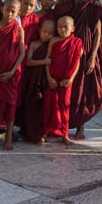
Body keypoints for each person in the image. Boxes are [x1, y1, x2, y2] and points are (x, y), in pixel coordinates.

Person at [53, 0, 102, 139]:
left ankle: (80, 127)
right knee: (66, 90)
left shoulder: (93, 7)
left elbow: (98, 33)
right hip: (67, 54)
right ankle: (61, 125)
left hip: (86, 52)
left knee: (82, 91)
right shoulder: (63, 7)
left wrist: (93, 56)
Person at [0, 0, 25, 150]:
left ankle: (8, 137)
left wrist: (12, 71)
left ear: (18, 13)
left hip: (11, 74)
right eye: (8, 10)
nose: (9, 14)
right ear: (2, 9)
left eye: (13, 12)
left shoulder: (19, 29)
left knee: (11, 105)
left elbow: (22, 53)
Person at [43, 16, 83, 145]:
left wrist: (70, 79)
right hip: (52, 79)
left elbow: (77, 63)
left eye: (66, 27)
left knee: (64, 106)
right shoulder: (53, 41)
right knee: (49, 105)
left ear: (73, 29)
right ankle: (45, 132)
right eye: (60, 27)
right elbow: (48, 60)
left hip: (67, 81)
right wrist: (49, 78)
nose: (63, 29)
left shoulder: (76, 43)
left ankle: (64, 133)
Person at [18, 19, 55, 144]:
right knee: (31, 106)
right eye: (44, 31)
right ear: (39, 30)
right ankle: (29, 133)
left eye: (50, 33)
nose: (47, 35)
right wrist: (44, 61)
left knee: (42, 108)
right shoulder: (34, 44)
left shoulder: (51, 45)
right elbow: (28, 62)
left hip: (44, 79)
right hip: (32, 79)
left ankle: (41, 133)